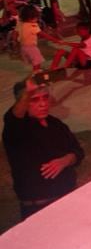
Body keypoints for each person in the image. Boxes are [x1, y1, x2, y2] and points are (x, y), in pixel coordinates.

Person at [3, 75, 84, 219]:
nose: (43, 104)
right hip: (39, 209)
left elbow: (78, 151)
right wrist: (28, 92)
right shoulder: (16, 129)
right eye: (34, 100)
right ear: (23, 102)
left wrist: (67, 159)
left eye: (45, 98)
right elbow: (13, 117)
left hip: (68, 200)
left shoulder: (55, 124)